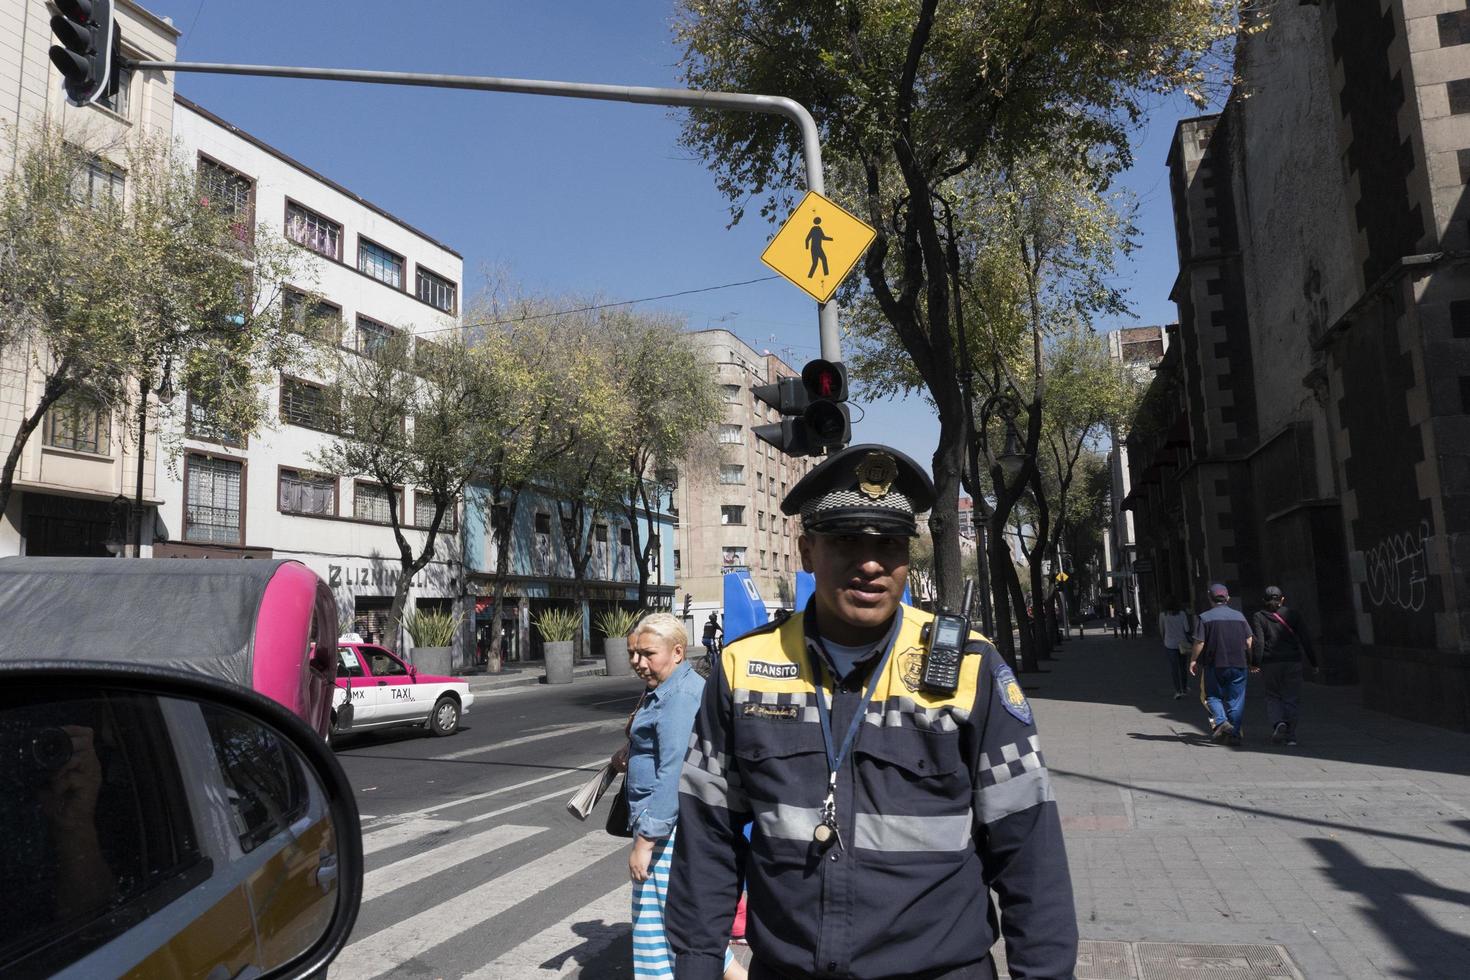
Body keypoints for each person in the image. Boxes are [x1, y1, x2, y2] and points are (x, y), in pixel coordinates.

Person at [667, 444, 1077, 980]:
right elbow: (708, 839)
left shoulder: (970, 667)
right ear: (807, 551)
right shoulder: (744, 667)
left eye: (888, 543)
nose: (870, 563)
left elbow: (1029, 850)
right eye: (846, 541)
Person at [614, 612, 744, 980]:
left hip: (669, 833)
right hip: (671, 829)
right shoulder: (668, 688)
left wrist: (645, 840)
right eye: (634, 654)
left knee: (665, 931)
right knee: (684, 928)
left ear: (677, 652)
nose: (639, 663)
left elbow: (674, 774)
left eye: (647, 654)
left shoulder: (681, 696)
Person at [1188, 583, 1255, 745]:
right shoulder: (1240, 617)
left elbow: (1200, 642)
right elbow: (1249, 641)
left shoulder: (1204, 618)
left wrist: (1193, 660)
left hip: (1214, 664)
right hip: (1239, 664)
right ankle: (1235, 735)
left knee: (1213, 696)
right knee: (1236, 700)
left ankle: (1221, 720)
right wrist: (1251, 661)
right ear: (1228, 598)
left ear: (1210, 598)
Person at [1250, 586, 1318, 746]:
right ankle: (1291, 736)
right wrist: (1314, 662)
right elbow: (1305, 639)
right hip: (1292, 661)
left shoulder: (1259, 616)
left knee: (1273, 696)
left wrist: (1255, 662)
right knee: (1291, 698)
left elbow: (1259, 642)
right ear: (1282, 599)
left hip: (1270, 663)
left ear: (1263, 601)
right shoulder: (1293, 615)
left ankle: (1278, 722)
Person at [1157, 597, 1192, 699]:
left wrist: (1164, 639)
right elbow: (1187, 628)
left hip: (1169, 644)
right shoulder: (1182, 614)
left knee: (1174, 668)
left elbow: (1161, 630)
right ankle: (1184, 688)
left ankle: (1177, 691)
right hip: (1182, 644)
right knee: (1183, 667)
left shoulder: (1163, 615)